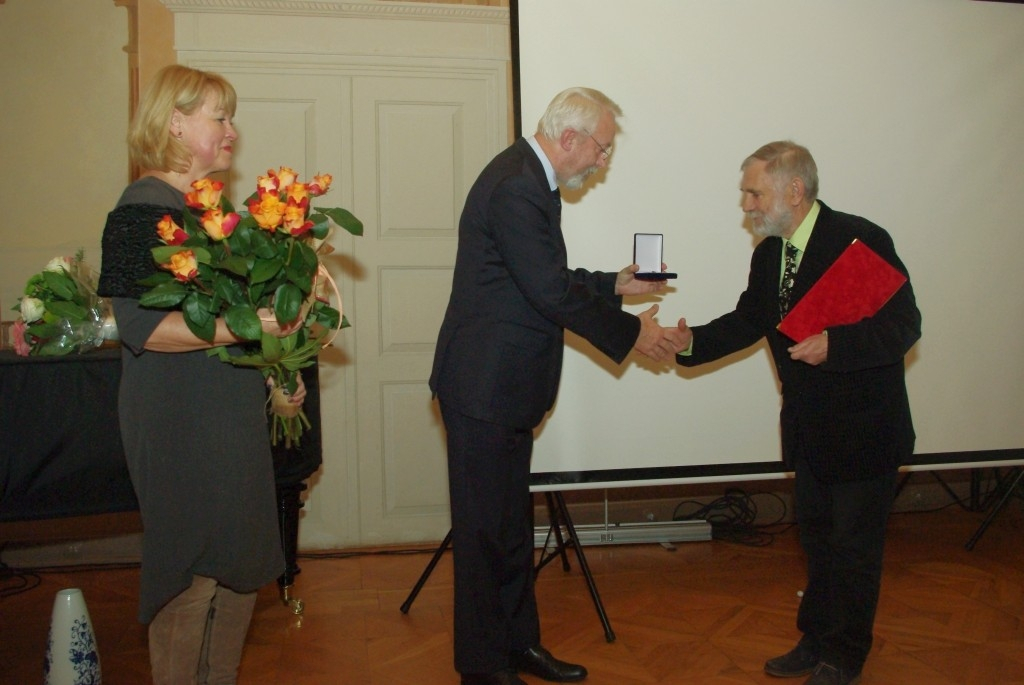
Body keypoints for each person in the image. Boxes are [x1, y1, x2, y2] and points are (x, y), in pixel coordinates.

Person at [429, 86, 688, 685]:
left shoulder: (528, 178)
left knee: (511, 531)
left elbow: (538, 277)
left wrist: (610, 286)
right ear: (569, 138)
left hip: (504, 391)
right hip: (483, 391)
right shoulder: (519, 183)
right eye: (601, 149)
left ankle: (519, 647)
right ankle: (484, 667)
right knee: (484, 538)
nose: (602, 161)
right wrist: (632, 335)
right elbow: (547, 291)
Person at [673, 141, 921, 685]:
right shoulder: (770, 253)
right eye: (745, 192)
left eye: (753, 192)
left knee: (854, 551)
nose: (746, 205)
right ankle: (817, 638)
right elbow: (749, 320)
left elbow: (904, 326)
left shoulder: (859, 239)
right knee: (818, 542)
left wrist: (837, 343)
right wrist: (687, 343)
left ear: (794, 190)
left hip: (865, 431)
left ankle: (845, 655)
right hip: (809, 430)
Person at [98, 65, 305, 684]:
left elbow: (224, 322)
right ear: (176, 123)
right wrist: (249, 328)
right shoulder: (139, 210)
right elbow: (142, 328)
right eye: (221, 116)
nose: (232, 130)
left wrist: (275, 374)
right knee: (191, 577)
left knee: (240, 570)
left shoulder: (206, 213)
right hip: (178, 424)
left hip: (225, 418)